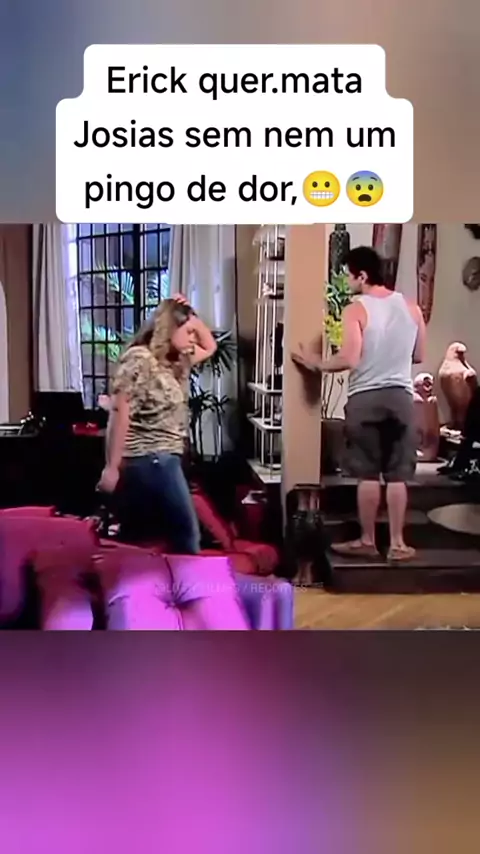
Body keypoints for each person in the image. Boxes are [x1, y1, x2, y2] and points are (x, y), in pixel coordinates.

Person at [292, 245, 426, 562]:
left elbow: (349, 358)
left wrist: (315, 363)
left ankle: (368, 540)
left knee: (368, 474)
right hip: (402, 398)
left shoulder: (356, 309)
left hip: (366, 398)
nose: (346, 281)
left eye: (348, 275)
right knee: (397, 475)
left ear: (362, 276)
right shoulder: (412, 307)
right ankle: (397, 544)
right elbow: (419, 355)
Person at [97, 294, 217, 553]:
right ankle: (187, 580)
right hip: (149, 458)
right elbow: (120, 412)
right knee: (187, 535)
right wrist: (112, 467)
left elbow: (210, 346)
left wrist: (190, 315)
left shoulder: (177, 361)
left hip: (165, 458)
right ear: (171, 328)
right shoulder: (141, 359)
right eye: (188, 332)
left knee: (147, 537)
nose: (193, 338)